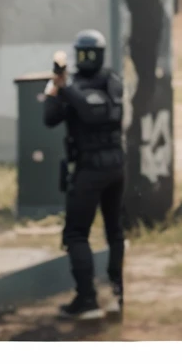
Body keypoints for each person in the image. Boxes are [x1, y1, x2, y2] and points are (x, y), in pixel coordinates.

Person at [43, 29, 125, 320]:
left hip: (97, 168)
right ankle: (103, 296)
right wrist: (56, 87)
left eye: (91, 54)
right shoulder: (75, 83)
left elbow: (98, 113)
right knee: (92, 233)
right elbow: (49, 118)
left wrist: (66, 89)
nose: (87, 59)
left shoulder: (110, 80)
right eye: (83, 53)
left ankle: (96, 299)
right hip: (104, 166)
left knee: (84, 233)